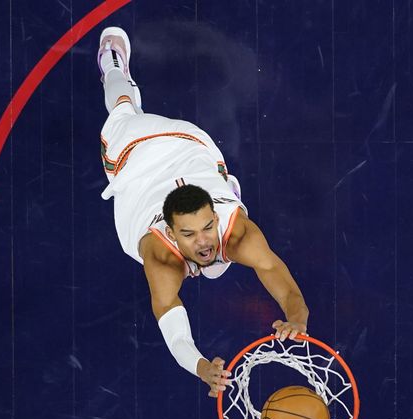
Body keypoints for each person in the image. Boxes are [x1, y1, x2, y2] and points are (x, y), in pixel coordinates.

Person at [96, 27, 308, 397]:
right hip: (134, 151)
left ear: (214, 214)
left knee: (227, 251)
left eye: (208, 227)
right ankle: (112, 64)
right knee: (123, 108)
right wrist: (200, 366)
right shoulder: (158, 253)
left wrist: (297, 318)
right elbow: (171, 320)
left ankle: (224, 195)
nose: (204, 239)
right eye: (190, 235)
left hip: (191, 144)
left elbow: (274, 270)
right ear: (172, 233)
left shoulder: (234, 231)